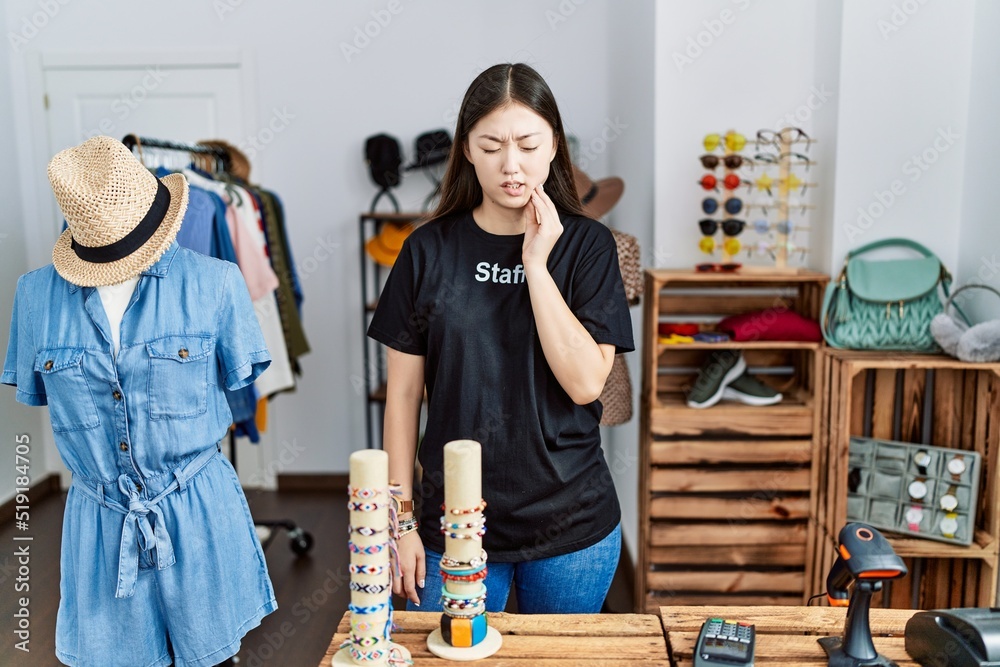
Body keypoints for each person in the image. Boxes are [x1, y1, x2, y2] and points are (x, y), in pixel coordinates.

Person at [367, 63, 634, 613]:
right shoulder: (426, 251)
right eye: (491, 146)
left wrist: (535, 266)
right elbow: (401, 398)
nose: (511, 165)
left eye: (528, 145)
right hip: (450, 526)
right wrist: (400, 521)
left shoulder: (588, 247)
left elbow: (586, 385)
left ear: (554, 146)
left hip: (572, 526)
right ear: (466, 149)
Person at [2, 136, 276, 666]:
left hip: (196, 510)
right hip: (100, 521)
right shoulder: (34, 297)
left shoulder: (214, 283)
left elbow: (240, 378)